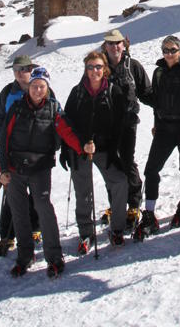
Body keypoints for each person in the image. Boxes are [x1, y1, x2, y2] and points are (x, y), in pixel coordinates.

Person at [0, 67, 86, 278]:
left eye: (42, 87)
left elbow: (67, 132)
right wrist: (2, 169)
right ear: (30, 87)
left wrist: (83, 148)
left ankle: (54, 256)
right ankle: (25, 255)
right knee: (19, 213)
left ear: (47, 88)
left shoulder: (54, 109)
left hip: (40, 169)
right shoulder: (16, 109)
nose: (38, 90)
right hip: (15, 169)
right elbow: (4, 141)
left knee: (43, 209)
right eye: (35, 86)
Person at [133, 35, 180, 240]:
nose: (168, 54)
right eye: (165, 50)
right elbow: (158, 101)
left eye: (172, 50)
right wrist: (156, 123)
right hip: (165, 128)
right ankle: (149, 212)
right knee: (151, 169)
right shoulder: (159, 72)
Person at [63, 50, 129, 249]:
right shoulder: (77, 92)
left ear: (105, 69)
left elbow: (119, 124)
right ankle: (86, 232)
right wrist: (71, 148)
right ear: (86, 69)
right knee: (83, 192)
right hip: (80, 149)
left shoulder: (113, 92)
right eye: (90, 67)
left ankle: (117, 228)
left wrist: (113, 150)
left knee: (119, 182)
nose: (94, 71)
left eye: (98, 67)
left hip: (104, 149)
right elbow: (68, 122)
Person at [99, 29, 152, 229]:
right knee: (111, 164)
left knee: (127, 161)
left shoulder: (132, 66)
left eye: (117, 43)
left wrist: (164, 110)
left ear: (124, 44)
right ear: (105, 46)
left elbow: (146, 92)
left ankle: (133, 202)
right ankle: (116, 203)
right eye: (110, 44)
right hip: (105, 125)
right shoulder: (99, 67)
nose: (114, 47)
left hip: (127, 122)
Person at [0, 54, 41, 255]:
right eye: (17, 70)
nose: (21, 73)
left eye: (24, 69)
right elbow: (0, 120)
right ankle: (7, 234)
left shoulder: (41, 87)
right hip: (12, 152)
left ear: (31, 69)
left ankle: (35, 227)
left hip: (36, 151)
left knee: (37, 192)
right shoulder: (7, 92)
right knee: (11, 194)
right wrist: (0, 142)